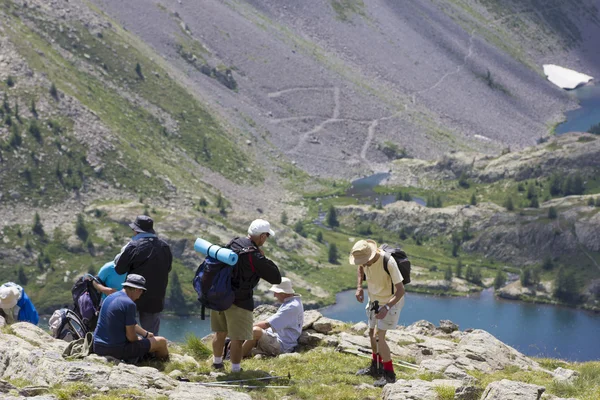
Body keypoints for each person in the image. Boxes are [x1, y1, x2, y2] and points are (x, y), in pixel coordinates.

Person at [211, 219, 282, 372]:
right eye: (267, 236)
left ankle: (217, 363)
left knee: (220, 332)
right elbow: (276, 278)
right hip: (239, 301)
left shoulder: (235, 242)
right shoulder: (255, 256)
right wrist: (263, 257)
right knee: (238, 337)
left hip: (220, 295)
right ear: (262, 236)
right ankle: (236, 370)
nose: (266, 239)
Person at [350, 239, 405, 387]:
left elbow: (400, 291)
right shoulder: (365, 261)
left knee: (379, 337)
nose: (363, 263)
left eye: (364, 261)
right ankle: (376, 367)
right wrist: (359, 287)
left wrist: (386, 307)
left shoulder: (388, 262)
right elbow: (360, 268)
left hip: (390, 302)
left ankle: (389, 375)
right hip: (374, 300)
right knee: (371, 333)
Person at [115, 215, 172, 335]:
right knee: (151, 333)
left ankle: (128, 352)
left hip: (133, 294)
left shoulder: (133, 246)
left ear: (136, 230)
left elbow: (119, 269)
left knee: (126, 327)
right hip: (156, 296)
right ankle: (150, 352)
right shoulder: (165, 247)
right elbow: (168, 268)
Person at [93, 274, 168, 361]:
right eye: (142, 291)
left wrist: (145, 333)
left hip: (98, 347)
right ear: (137, 290)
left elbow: (128, 322)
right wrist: (139, 339)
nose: (141, 295)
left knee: (143, 340)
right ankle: (163, 364)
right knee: (161, 341)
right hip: (115, 350)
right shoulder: (129, 304)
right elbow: (131, 338)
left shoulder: (110, 297)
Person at [241, 277, 303, 358]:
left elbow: (267, 324)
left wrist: (241, 332)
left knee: (255, 331)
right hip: (278, 339)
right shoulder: (293, 302)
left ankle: (235, 358)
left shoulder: (291, 307)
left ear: (283, 293)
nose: (274, 295)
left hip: (281, 345)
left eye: (276, 292)